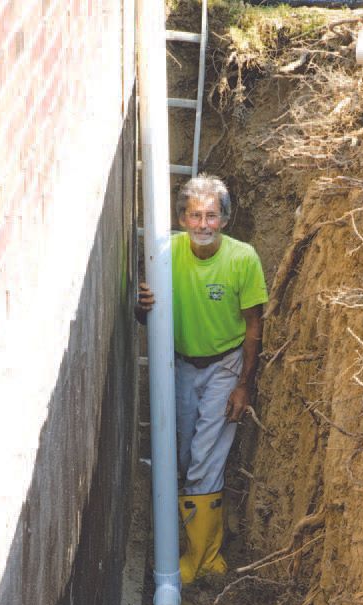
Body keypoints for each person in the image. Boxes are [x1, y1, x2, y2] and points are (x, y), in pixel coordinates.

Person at [135, 174, 268, 584]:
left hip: (224, 366)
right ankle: (188, 546)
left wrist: (243, 384)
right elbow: (145, 311)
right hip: (177, 365)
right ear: (181, 219)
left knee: (205, 459)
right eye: (195, 216)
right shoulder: (166, 253)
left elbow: (253, 325)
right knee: (180, 455)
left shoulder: (243, 258)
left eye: (212, 215)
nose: (204, 224)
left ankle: (204, 559)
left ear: (224, 220)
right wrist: (140, 304)